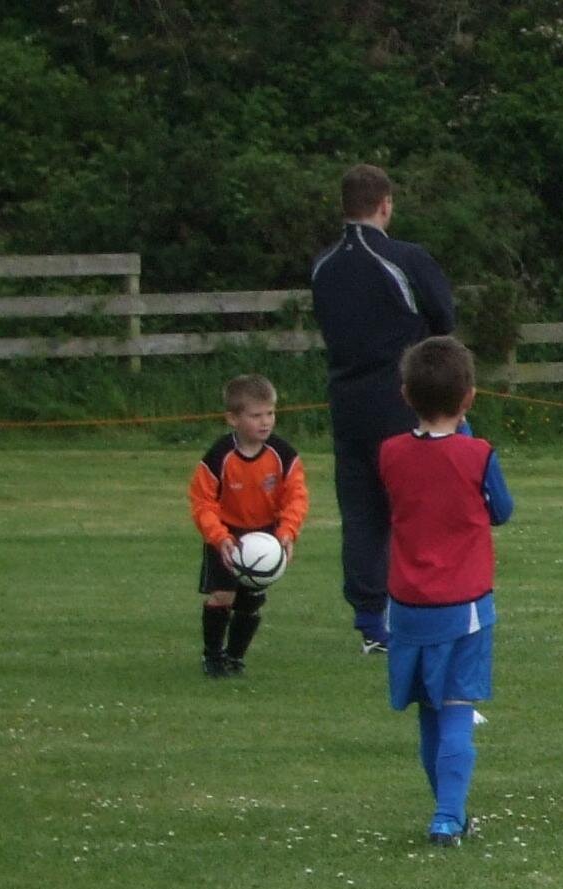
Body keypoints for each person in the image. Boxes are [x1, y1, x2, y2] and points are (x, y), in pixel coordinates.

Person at [310, 164, 458, 652]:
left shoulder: (323, 265)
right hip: (399, 402)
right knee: (415, 507)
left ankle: (370, 621)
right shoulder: (402, 258)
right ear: (385, 204)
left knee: (360, 511)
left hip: (346, 402)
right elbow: (444, 317)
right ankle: (422, 608)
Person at [376, 338, 512, 846]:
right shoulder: (478, 454)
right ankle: (449, 816)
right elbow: (501, 509)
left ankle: (445, 810)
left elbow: (419, 477)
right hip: (465, 605)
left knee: (427, 711)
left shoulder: (389, 453)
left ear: (406, 394)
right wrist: (470, 443)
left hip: (408, 605)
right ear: (469, 398)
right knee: (456, 705)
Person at [186, 374, 308, 678]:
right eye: (256, 415)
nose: (265, 421)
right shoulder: (219, 456)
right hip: (227, 536)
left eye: (270, 413)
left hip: (266, 536)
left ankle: (236, 656)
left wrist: (286, 533)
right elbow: (203, 503)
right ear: (233, 419)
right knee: (222, 596)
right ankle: (213, 656)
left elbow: (296, 498)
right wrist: (219, 537)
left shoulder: (284, 454)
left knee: (250, 601)